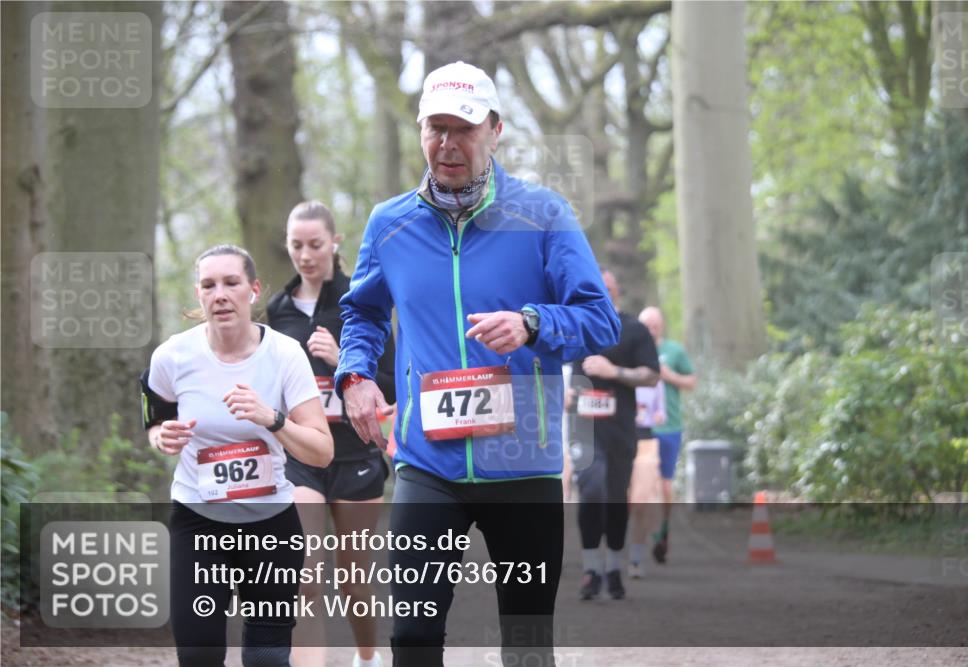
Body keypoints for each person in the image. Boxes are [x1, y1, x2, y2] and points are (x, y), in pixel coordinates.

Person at [333, 61, 620, 666]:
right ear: (419, 132)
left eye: (463, 128)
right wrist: (355, 375)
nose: (447, 143)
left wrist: (534, 323)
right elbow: (360, 314)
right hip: (426, 463)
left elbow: (600, 319)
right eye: (435, 128)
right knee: (410, 639)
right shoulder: (391, 224)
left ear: (495, 130)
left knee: (525, 644)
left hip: (523, 467)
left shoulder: (543, 215)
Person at [141, 244, 334, 667]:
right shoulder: (172, 356)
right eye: (209, 285)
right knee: (198, 654)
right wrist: (162, 437)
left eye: (231, 283)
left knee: (267, 659)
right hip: (197, 522)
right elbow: (155, 421)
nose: (220, 294)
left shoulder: (285, 354)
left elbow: (322, 452)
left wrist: (272, 419)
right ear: (198, 294)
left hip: (271, 526)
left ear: (254, 290)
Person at [267, 201, 396, 667]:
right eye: (296, 245)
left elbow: (391, 386)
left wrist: (342, 355)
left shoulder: (361, 302)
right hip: (303, 457)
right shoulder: (276, 311)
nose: (305, 255)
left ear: (335, 243)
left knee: (354, 579)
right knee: (304, 575)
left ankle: (367, 657)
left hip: (356, 454)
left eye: (315, 245)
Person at [569, 269, 659, 601]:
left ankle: (613, 567)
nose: (601, 293)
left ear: (616, 292)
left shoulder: (633, 330)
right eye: (595, 287)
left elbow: (651, 376)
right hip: (583, 427)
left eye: (607, 288)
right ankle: (591, 569)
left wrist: (613, 372)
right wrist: (561, 395)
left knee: (616, 495)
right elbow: (549, 364)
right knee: (591, 487)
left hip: (620, 428)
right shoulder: (575, 326)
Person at [638, 306, 697, 564]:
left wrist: (668, 375)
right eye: (646, 326)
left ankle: (663, 529)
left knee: (664, 483)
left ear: (661, 326)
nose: (651, 330)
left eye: (655, 325)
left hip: (669, 425)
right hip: (639, 428)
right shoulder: (634, 350)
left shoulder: (674, 351)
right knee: (642, 484)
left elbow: (692, 382)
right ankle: (645, 533)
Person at [626, 378, 667, 578]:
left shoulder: (654, 380)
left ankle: (635, 559)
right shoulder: (614, 372)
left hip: (646, 441)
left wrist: (658, 415)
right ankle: (610, 558)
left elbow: (661, 412)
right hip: (617, 439)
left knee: (641, 504)